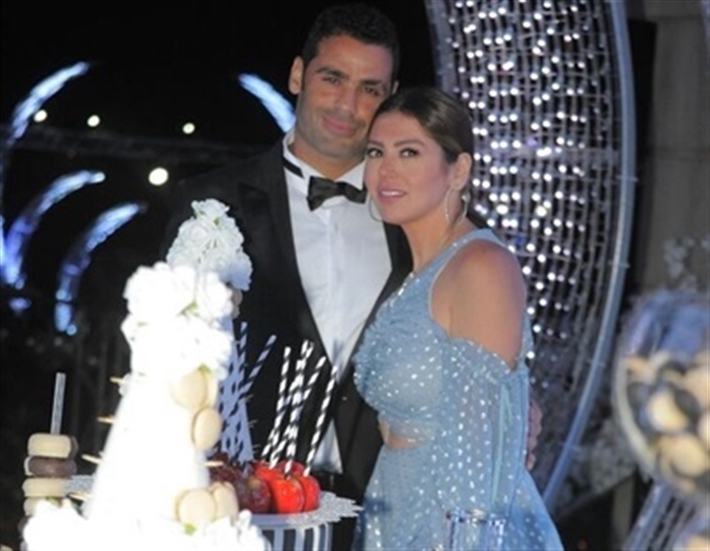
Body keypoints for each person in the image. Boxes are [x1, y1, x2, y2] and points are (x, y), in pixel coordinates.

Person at [162, 4, 542, 547]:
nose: (348, 104)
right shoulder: (212, 206)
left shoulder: (424, 216)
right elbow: (167, 358)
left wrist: (516, 408)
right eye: (332, 78)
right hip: (249, 509)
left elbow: (483, 356)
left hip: (383, 509)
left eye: (370, 89)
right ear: (298, 75)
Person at [351, 86, 563, 550]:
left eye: (409, 152)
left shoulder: (481, 267)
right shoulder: (417, 274)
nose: (386, 169)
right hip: (393, 506)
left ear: (459, 170)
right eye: (376, 152)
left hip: (450, 528)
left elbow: (478, 465)